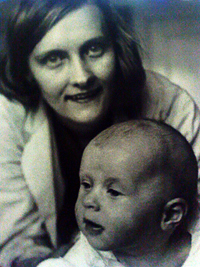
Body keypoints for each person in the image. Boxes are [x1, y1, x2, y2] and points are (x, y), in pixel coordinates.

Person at [0, 0, 200, 266]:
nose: (82, 76)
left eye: (94, 49)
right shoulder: (7, 119)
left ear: (116, 50)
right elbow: (17, 245)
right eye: (53, 59)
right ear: (27, 69)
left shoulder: (168, 103)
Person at [37, 119, 200, 267]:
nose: (89, 201)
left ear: (170, 215)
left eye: (113, 192)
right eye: (86, 184)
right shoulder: (87, 257)